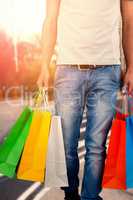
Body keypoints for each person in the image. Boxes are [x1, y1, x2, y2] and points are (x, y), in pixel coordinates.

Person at [37, 0, 133, 199]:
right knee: (66, 146)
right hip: (68, 69)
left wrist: (131, 66)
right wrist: (44, 64)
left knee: (96, 146)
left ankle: (90, 196)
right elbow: (50, 20)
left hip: (107, 70)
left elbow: (130, 20)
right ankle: (70, 194)